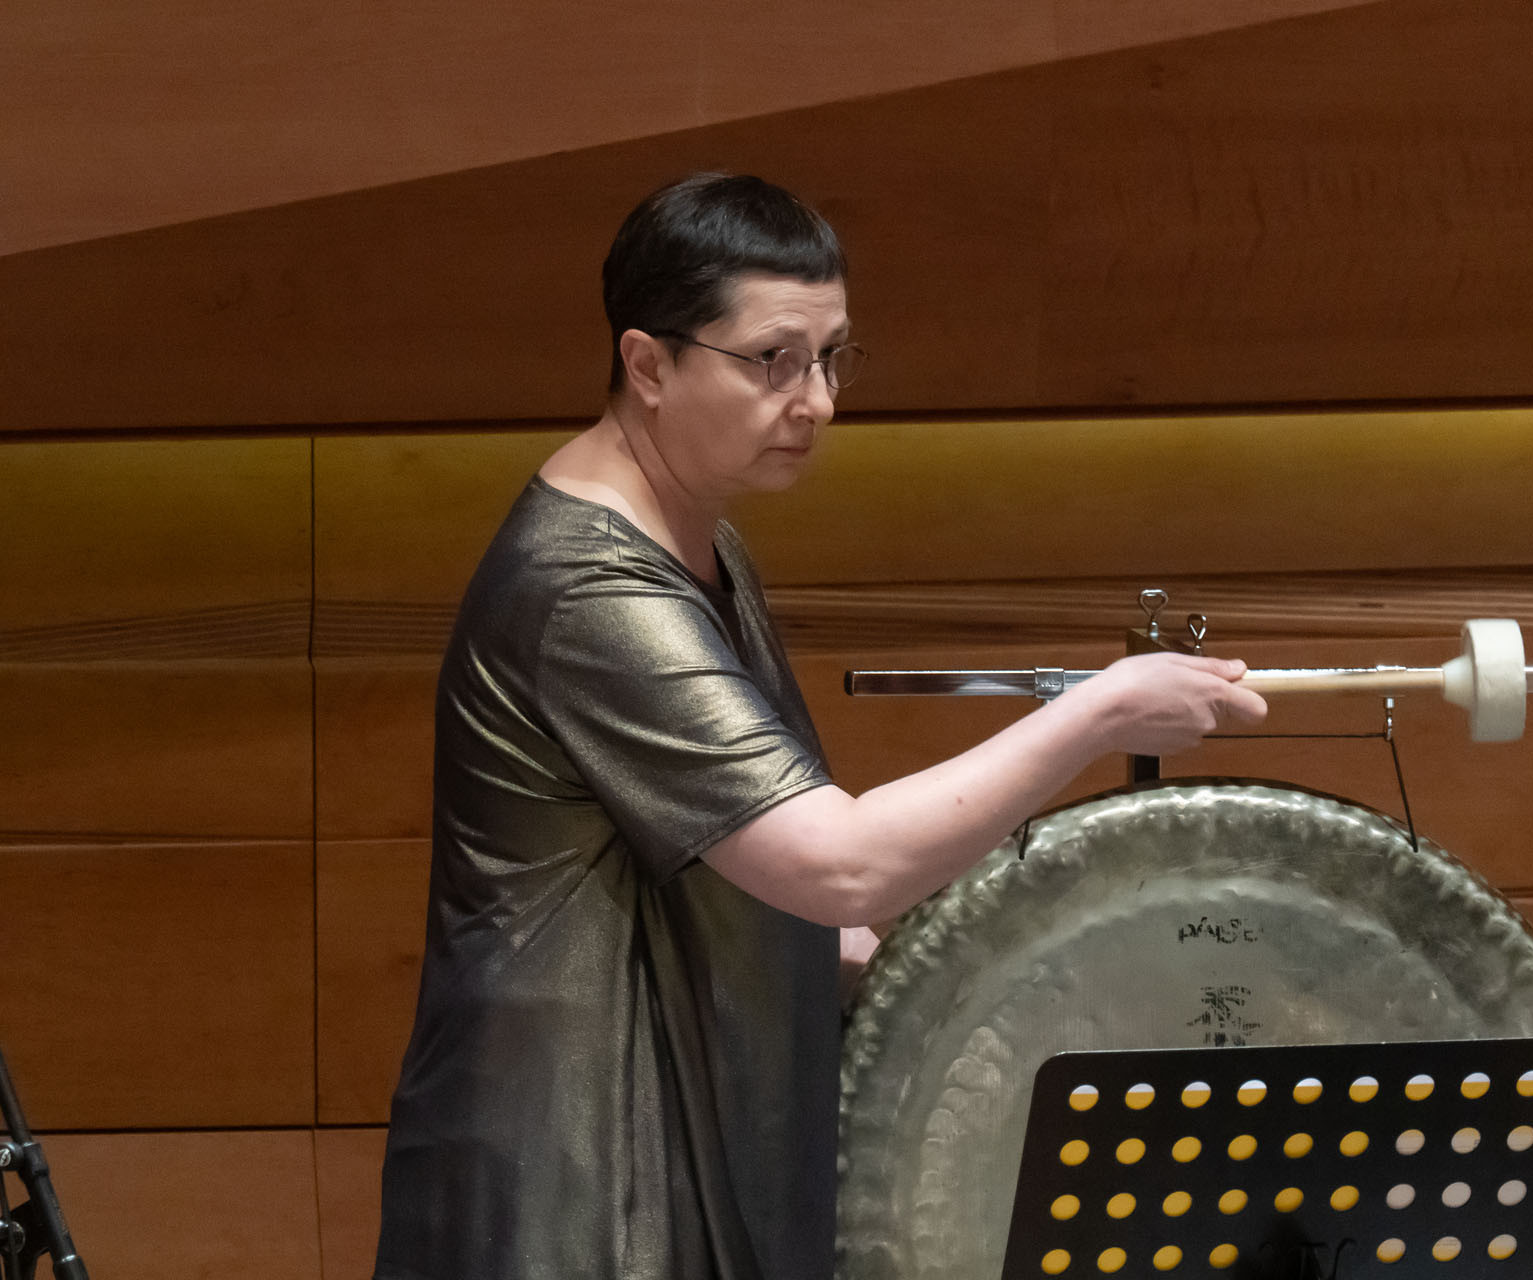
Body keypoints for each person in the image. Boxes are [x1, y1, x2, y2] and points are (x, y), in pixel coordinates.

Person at [372, 173, 1267, 1280]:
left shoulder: (700, 540)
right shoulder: (590, 591)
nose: (819, 401)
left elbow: (754, 869)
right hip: (571, 1189)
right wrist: (1102, 709)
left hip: (654, 1152)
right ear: (648, 364)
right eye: (774, 361)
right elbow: (836, 866)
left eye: (833, 358)